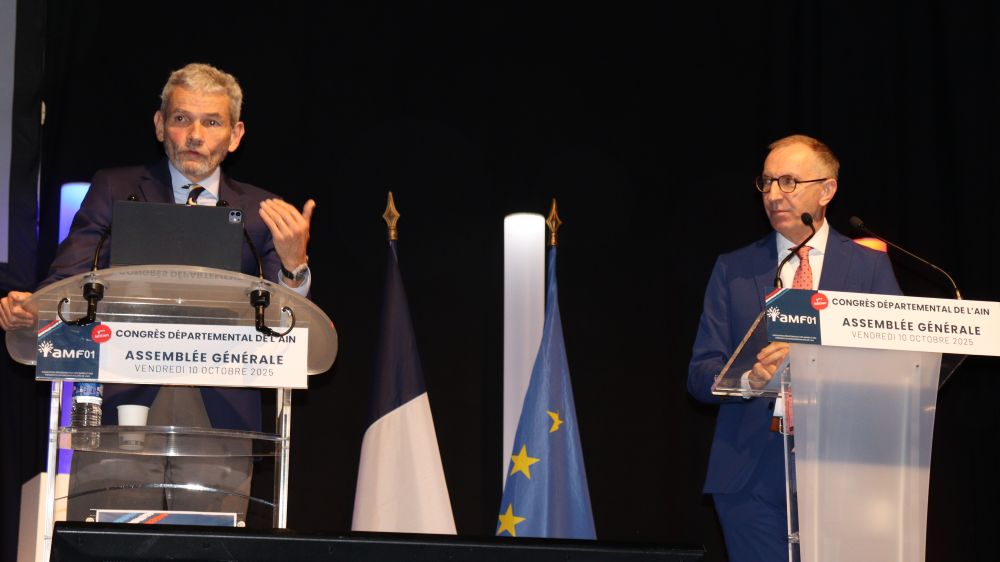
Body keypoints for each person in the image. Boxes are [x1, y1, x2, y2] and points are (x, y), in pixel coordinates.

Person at [0, 62, 315, 521]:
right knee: (112, 546)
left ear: (236, 134)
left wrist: (293, 265)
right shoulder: (116, 189)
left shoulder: (261, 210)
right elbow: (64, 280)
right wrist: (30, 309)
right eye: (182, 118)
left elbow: (288, 324)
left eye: (212, 122)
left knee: (212, 547)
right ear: (159, 124)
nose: (195, 135)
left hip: (221, 413)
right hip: (119, 405)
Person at [687, 134, 901, 562]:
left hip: (845, 471)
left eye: (788, 181)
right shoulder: (734, 268)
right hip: (751, 477)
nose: (772, 194)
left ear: (827, 190)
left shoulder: (868, 266)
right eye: (766, 182)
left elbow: (896, 367)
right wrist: (749, 378)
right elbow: (698, 374)